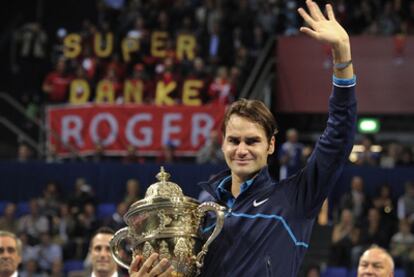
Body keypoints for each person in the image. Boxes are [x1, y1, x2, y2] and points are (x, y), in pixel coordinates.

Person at [129, 0, 356, 276]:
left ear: (271, 145)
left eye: (252, 141)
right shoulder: (201, 215)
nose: (242, 149)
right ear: (223, 144)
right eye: (234, 140)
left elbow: (338, 137)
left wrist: (342, 55)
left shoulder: (294, 199)